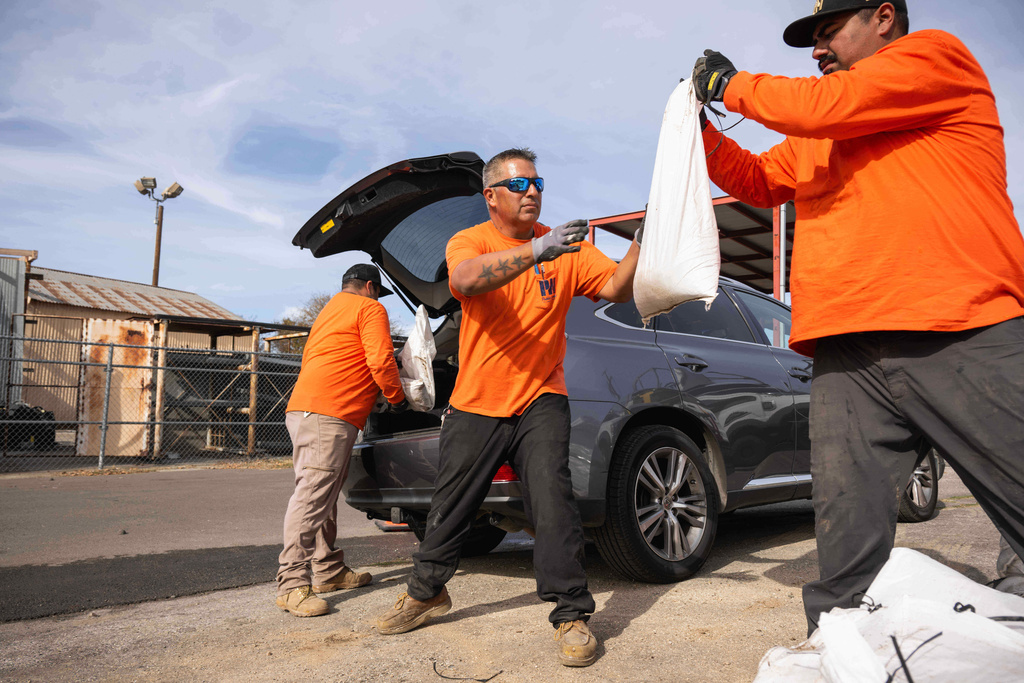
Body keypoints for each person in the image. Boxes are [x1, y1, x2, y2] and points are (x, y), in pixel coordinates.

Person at [689, 0, 1024, 636]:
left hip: (960, 325)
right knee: (846, 536)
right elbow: (758, 179)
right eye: (812, 38)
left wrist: (731, 86)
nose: (818, 49)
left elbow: (825, 105)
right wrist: (696, 130)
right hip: (846, 353)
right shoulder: (822, 131)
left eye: (828, 32)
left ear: (884, 18)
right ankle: (839, 648)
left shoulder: (936, 58)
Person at [374, 148, 640, 667]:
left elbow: (615, 289)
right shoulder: (472, 240)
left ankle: (570, 614)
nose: (533, 192)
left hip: (543, 394)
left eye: (537, 183)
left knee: (552, 500)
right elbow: (466, 281)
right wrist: (538, 251)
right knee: (449, 505)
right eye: (519, 185)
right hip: (477, 398)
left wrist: (640, 246)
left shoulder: (570, 250)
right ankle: (427, 591)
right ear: (491, 196)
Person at [276, 264, 408, 617]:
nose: (380, 299)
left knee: (324, 495)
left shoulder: (329, 312)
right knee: (312, 497)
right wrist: (397, 398)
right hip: (329, 414)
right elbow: (379, 359)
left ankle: (329, 571)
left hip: (308, 410)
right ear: (369, 286)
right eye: (378, 292)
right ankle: (291, 585)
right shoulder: (369, 307)